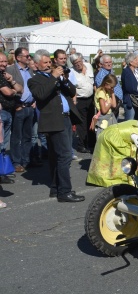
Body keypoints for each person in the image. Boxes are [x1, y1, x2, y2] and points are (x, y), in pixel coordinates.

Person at [28, 49, 85, 202]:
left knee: (55, 155)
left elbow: (72, 91)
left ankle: (55, 188)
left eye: (49, 62)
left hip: (65, 118)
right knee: (65, 155)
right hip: (53, 121)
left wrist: (64, 79)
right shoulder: (35, 80)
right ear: (37, 64)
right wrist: (53, 77)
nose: (48, 65)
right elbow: (41, 94)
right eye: (45, 63)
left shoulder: (54, 77)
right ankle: (65, 191)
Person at [6, 47, 36, 170]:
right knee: (16, 137)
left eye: (29, 56)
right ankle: (16, 162)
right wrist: (14, 105)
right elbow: (6, 90)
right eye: (26, 56)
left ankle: (26, 160)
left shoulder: (30, 71)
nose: (29, 58)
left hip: (30, 107)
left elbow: (33, 87)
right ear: (18, 58)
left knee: (27, 136)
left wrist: (34, 100)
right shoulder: (11, 70)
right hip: (18, 107)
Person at [69, 53, 95, 153]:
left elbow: (92, 83)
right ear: (72, 64)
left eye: (79, 61)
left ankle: (92, 143)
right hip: (80, 100)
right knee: (82, 123)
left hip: (90, 98)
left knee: (92, 121)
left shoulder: (88, 66)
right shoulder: (72, 72)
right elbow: (73, 88)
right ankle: (82, 145)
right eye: (75, 63)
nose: (78, 64)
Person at [0, 53, 19, 169]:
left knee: (4, 144)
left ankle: (2, 170)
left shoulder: (5, 75)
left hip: (8, 112)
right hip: (2, 114)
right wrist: (14, 91)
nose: (4, 64)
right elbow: (8, 92)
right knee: (1, 143)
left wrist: (12, 81)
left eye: (5, 61)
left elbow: (20, 88)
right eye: (1, 62)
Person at [121, 51, 138, 121]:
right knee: (130, 121)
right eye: (136, 60)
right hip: (130, 101)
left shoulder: (136, 71)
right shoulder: (126, 72)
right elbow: (130, 88)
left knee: (136, 120)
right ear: (131, 62)